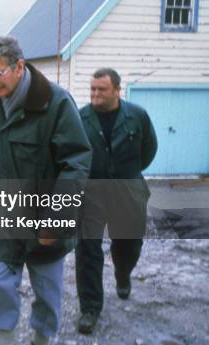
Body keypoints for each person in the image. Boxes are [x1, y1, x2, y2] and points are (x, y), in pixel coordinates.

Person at [0, 36, 91, 345]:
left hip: (46, 219)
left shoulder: (56, 103)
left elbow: (76, 163)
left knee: (47, 293)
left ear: (19, 67)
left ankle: (41, 340)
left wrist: (55, 221)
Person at [75, 68, 157, 335]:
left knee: (129, 243)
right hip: (91, 191)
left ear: (117, 90)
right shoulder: (81, 117)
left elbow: (148, 151)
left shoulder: (137, 115)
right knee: (87, 250)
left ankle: (122, 272)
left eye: (102, 89)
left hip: (127, 190)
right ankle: (90, 307)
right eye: (93, 89)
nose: (96, 94)